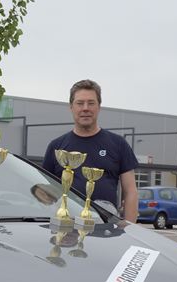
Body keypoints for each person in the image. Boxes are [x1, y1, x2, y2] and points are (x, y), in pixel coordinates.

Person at [42, 79, 139, 222]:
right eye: (80, 103)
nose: (85, 108)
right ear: (71, 107)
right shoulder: (56, 147)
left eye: (91, 103)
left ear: (99, 107)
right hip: (66, 229)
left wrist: (129, 226)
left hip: (106, 229)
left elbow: (131, 191)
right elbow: (46, 194)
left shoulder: (118, 144)